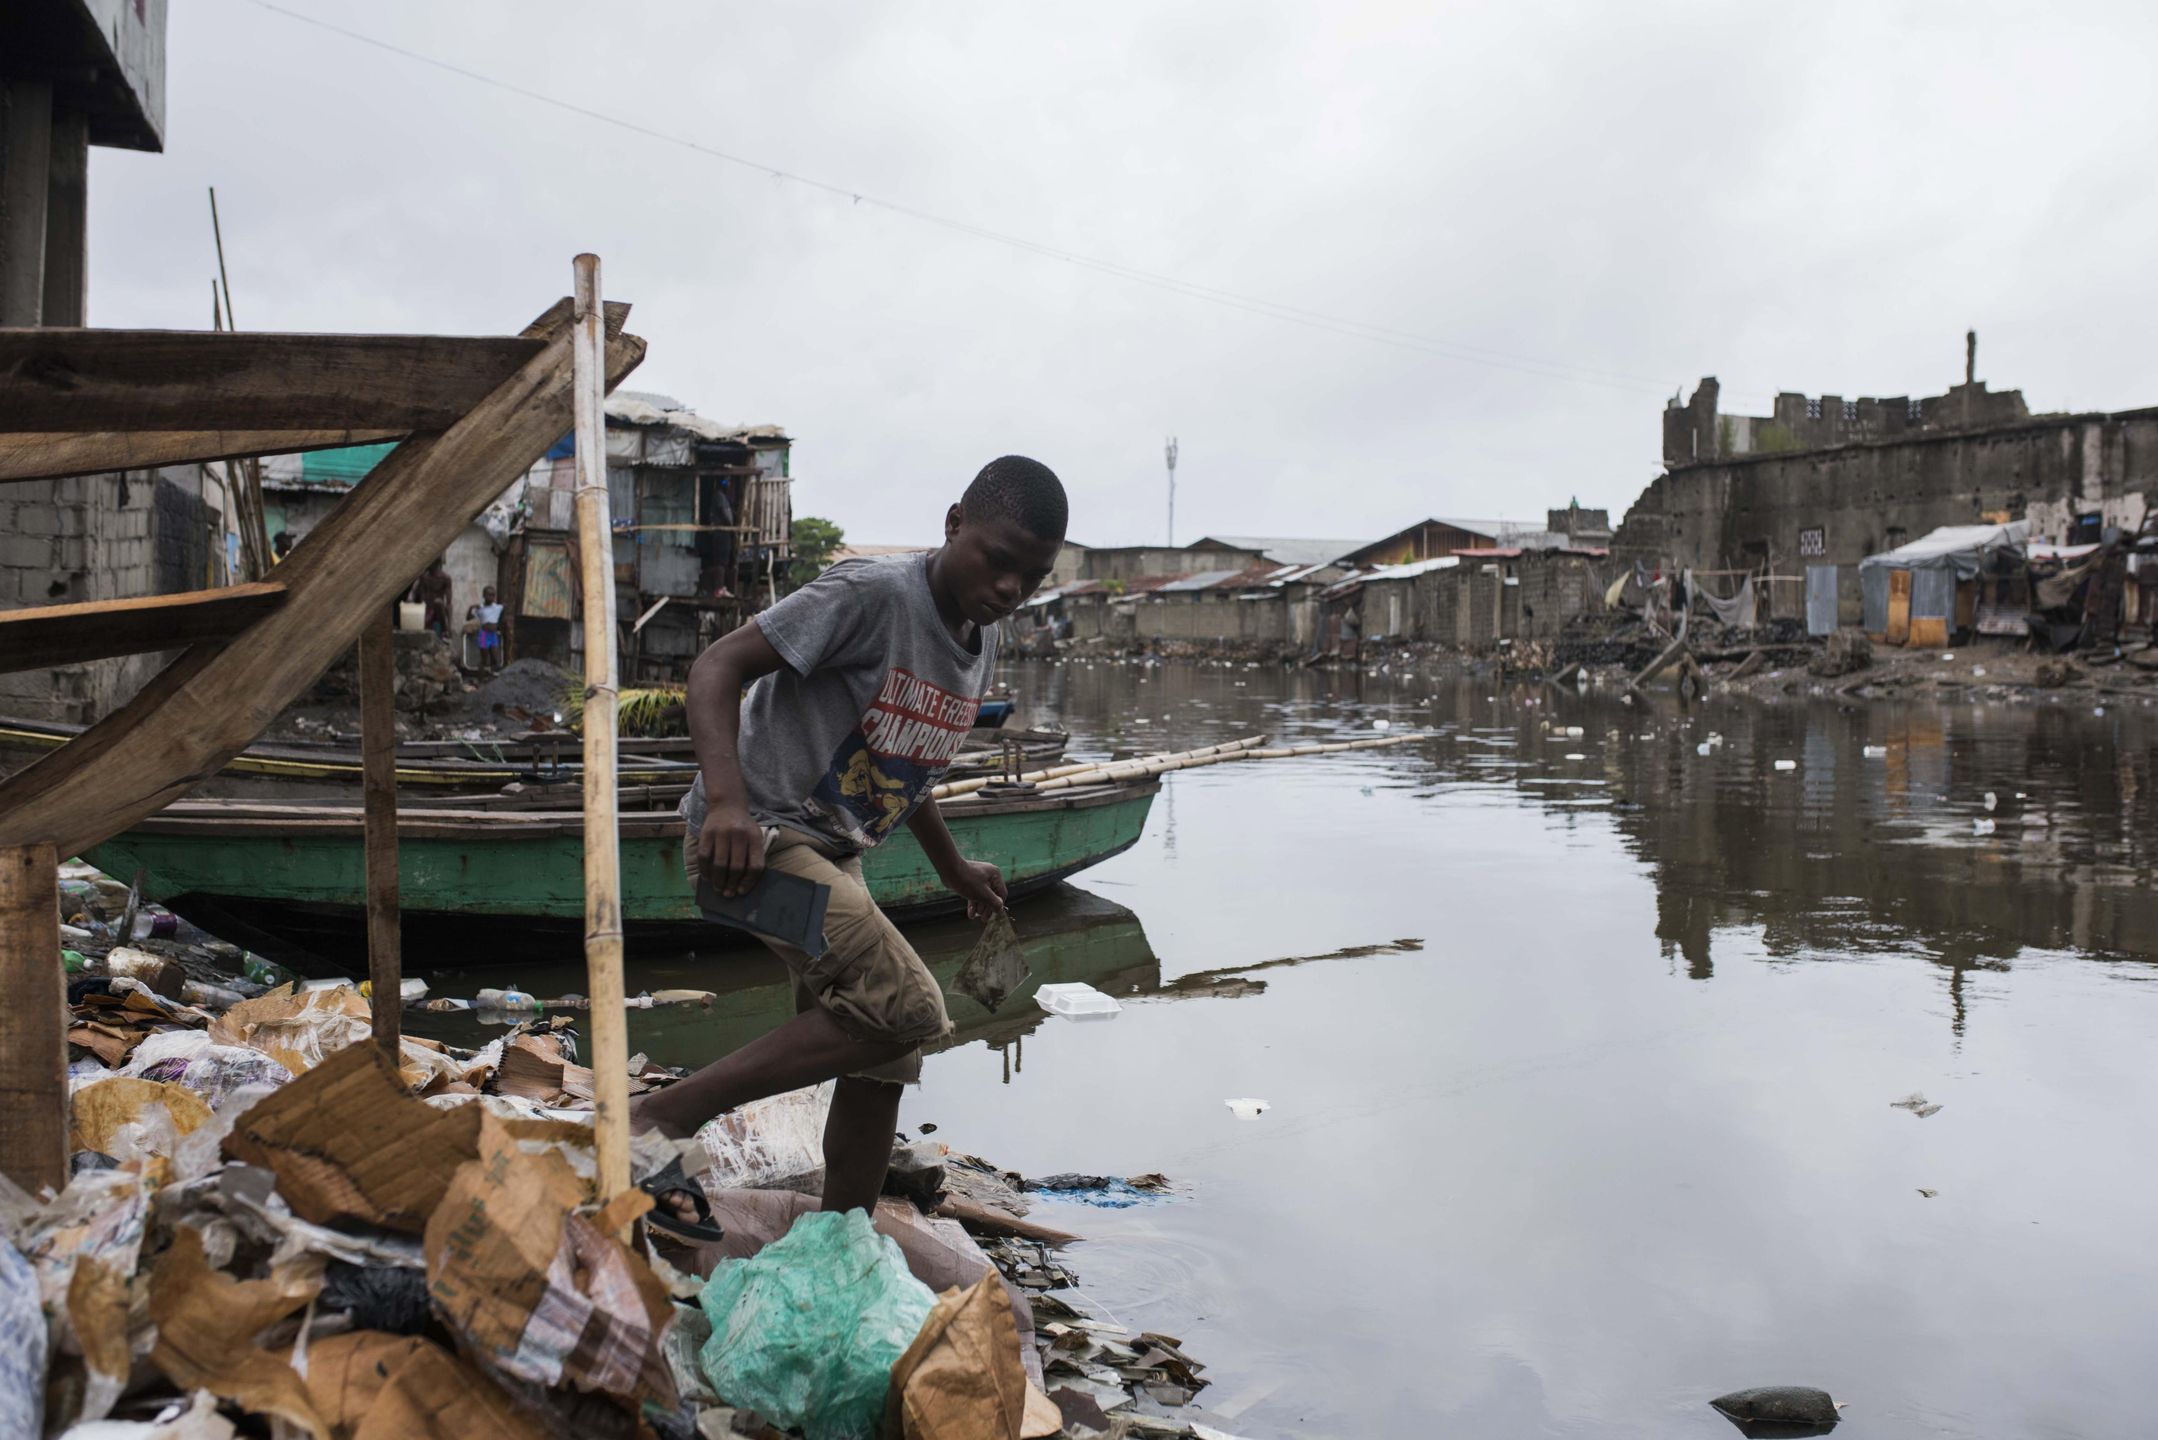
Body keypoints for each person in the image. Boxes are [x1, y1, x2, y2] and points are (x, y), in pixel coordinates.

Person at [632, 456, 1067, 1231]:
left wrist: (953, 867)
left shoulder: (978, 637)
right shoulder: (870, 595)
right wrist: (727, 802)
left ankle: (837, 1246)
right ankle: (660, 1118)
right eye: (998, 561)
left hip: (831, 852)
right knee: (903, 1005)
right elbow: (715, 668)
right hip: (753, 846)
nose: (1008, 589)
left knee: (885, 1054)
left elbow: (906, 766)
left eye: (1029, 578)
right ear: (954, 524)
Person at [467, 585, 505, 671]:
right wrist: (471, 608)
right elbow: (468, 618)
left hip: (493, 635)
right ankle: (481, 678)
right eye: (489, 595)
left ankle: (492, 677)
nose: (491, 597)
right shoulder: (480, 608)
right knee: (484, 659)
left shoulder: (497, 607)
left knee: (495, 659)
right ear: (484, 596)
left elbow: (504, 611)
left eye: (493, 595)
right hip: (484, 635)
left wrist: (499, 625)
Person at [411, 559, 452, 636]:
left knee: (438, 602)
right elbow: (413, 590)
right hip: (426, 610)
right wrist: (410, 598)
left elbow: (449, 604)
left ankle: (444, 630)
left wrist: (449, 626)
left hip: (439, 612)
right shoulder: (424, 576)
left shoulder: (445, 578)